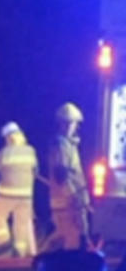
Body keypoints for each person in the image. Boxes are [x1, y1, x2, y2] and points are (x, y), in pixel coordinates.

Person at [0, 121, 38, 257]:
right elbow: (35, 171)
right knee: (21, 223)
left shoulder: (3, 153)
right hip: (27, 195)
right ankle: (19, 252)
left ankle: (3, 242)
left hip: (7, 193)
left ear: (7, 138)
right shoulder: (31, 151)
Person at [45, 102, 90, 250]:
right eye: (72, 123)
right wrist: (76, 198)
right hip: (68, 202)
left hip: (68, 201)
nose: (74, 127)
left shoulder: (68, 145)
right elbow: (62, 175)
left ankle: (43, 257)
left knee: (63, 236)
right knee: (72, 240)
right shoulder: (62, 145)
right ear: (63, 124)